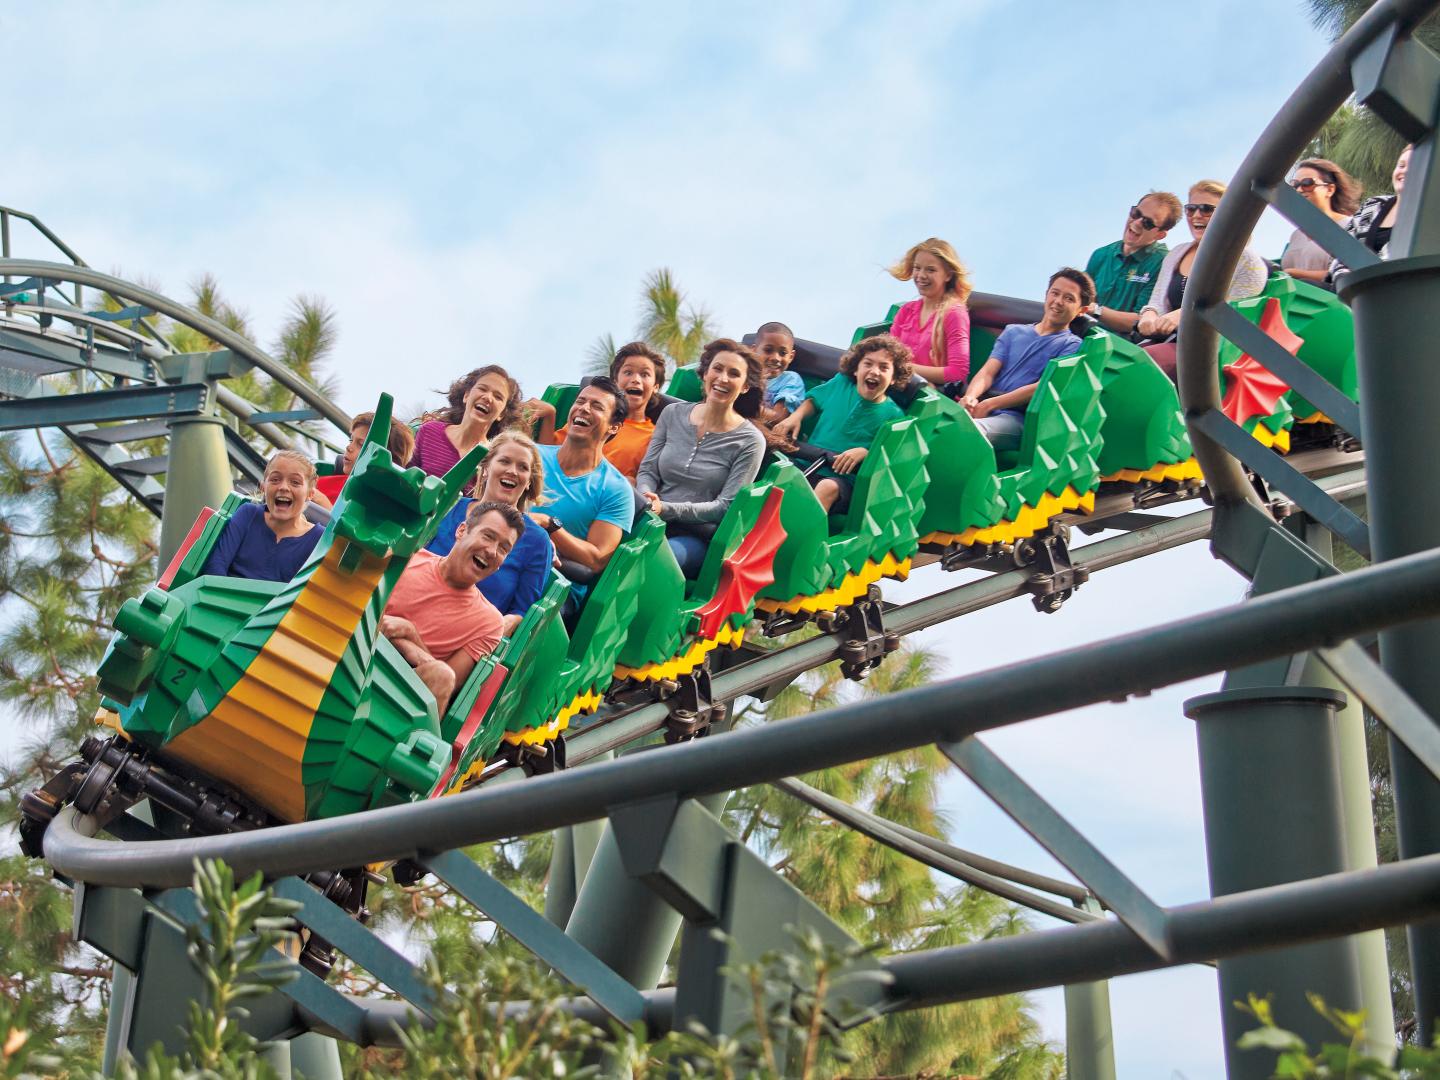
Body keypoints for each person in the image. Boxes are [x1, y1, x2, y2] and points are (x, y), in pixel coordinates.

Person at [635, 339, 767, 576]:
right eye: (717, 369)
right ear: (705, 373)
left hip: (693, 534)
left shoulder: (750, 441)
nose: (723, 378)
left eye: (734, 374)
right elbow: (648, 469)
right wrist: (646, 497)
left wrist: (664, 508)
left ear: (745, 386)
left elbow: (724, 507)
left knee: (652, 562)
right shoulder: (672, 413)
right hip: (647, 517)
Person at [382, 500, 522, 710]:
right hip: (356, 652)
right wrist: (403, 642)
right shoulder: (410, 559)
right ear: (462, 530)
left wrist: (410, 633)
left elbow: (446, 683)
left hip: (401, 691)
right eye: (488, 536)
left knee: (441, 675)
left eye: (503, 548)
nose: (493, 551)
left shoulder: (488, 622)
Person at [426, 431, 554, 636]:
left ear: (529, 481)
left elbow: (521, 613)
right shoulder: (449, 505)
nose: (512, 471)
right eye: (504, 461)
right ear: (485, 468)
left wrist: (488, 632)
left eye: (522, 467)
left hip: (465, 634)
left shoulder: (537, 541)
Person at [1136, 180, 1268, 376]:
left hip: (1209, 353)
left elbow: (1237, 317)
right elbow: (1157, 302)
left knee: (1146, 364)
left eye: (1207, 209)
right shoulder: (1176, 254)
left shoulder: (1246, 261)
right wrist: (1150, 314)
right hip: (1166, 340)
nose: (1197, 215)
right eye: (1191, 209)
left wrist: (1185, 315)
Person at [772, 335, 910, 514]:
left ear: (893, 378)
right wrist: (796, 416)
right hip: (806, 463)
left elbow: (888, 456)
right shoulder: (841, 384)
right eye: (868, 364)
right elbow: (815, 400)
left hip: (843, 481)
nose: (875, 371)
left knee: (827, 487)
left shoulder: (894, 415)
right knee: (774, 466)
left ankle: (799, 536)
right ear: (856, 370)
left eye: (884, 367)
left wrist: (866, 452)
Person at [961, 269, 1090, 448]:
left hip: (1017, 419)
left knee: (969, 432)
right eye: (1055, 293)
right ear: (1046, 294)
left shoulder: (1072, 345)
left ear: (1081, 310)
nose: (1058, 302)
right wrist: (970, 397)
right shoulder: (1013, 331)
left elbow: (1042, 387)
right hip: (986, 406)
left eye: (1069, 299)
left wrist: (991, 404)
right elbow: (988, 371)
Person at [527, 378, 636, 576]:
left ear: (614, 427)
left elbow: (597, 558)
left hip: (552, 580)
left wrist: (548, 524)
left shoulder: (616, 489)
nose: (583, 408)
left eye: (597, 406)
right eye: (580, 401)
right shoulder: (531, 455)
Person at [527, 342, 668, 482]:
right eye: (628, 372)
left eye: (645, 374)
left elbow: (643, 480)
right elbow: (548, 455)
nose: (635, 380)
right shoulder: (588, 416)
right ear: (615, 380)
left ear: (655, 386)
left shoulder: (654, 436)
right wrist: (550, 415)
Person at [200, 450, 323, 582]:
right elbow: (216, 566)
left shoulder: (318, 538)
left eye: (295, 482)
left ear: (310, 493)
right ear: (263, 486)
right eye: (275, 480)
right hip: (222, 597)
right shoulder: (248, 514)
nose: (283, 487)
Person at [410, 365, 522, 494]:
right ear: (466, 396)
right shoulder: (429, 431)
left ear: (502, 414)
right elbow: (407, 477)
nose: (488, 398)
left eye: (498, 397)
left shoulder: (494, 458)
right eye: (482, 389)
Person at [1084, 192, 1182, 334]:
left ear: (1160, 234)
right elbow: (1081, 299)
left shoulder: (1164, 263)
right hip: (1080, 335)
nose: (1136, 222)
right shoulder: (1101, 254)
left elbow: (1141, 321)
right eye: (1136, 213)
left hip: (1122, 348)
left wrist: (1097, 310)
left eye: (1147, 223)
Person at [887, 238, 972, 388]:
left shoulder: (954, 314)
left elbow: (958, 372)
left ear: (948, 275)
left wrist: (905, 369)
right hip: (898, 384)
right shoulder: (906, 311)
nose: (921, 275)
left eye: (931, 270)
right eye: (917, 268)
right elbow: (888, 354)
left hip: (935, 397)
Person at [1331, 144, 1409, 279]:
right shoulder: (1373, 204)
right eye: (1401, 166)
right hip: (1348, 288)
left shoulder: (1430, 219)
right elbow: (1343, 248)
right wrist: (1344, 279)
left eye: (1415, 166)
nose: (1404, 171)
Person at [1280, 158, 1362, 285]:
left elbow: (1353, 274)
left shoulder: (1350, 225)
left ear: (1330, 190)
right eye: (1295, 185)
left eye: (1307, 183)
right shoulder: (1297, 235)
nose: (1300, 190)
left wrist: (1296, 274)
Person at [313, 410, 417, 507]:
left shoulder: (385, 506)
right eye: (351, 440)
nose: (349, 447)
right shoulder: (322, 482)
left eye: (361, 444)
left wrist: (324, 505)